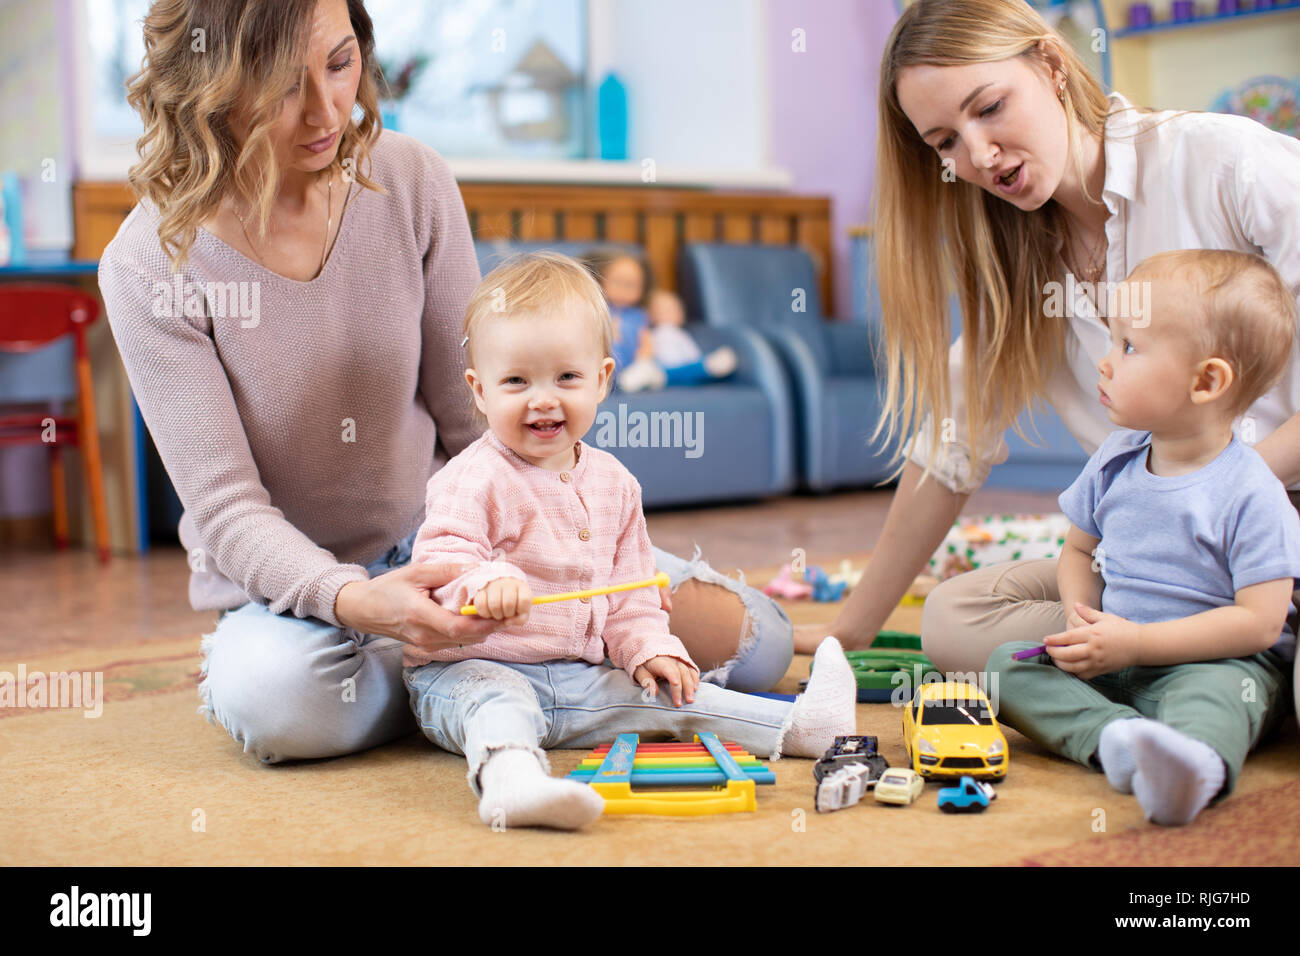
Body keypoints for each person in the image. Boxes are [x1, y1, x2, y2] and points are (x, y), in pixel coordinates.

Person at [96, 0, 793, 766]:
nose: (328, 111)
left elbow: (473, 417)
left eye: (340, 62)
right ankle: (510, 671)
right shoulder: (147, 265)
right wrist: (360, 601)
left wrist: (550, 553)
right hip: (297, 600)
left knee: (760, 648)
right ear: (209, 84)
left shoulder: (411, 179)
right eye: (281, 86)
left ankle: (479, 675)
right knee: (282, 706)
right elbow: (228, 512)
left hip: (470, 546)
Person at [800, 0, 1300, 714]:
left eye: (991, 107)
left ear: (1052, 64)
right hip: (1167, 564)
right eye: (944, 141)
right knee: (952, 619)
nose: (977, 156)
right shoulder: (1019, 271)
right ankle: (1205, 656)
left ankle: (1226, 659)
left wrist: (1230, 489)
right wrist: (851, 628)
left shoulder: (1217, 160)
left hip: (1276, 532)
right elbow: (948, 452)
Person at [402, 252, 856, 829]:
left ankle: (805, 728)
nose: (543, 399)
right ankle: (512, 783)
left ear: (603, 379)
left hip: (577, 674)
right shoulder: (472, 476)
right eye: (516, 381)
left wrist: (649, 647)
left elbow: (632, 596)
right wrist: (485, 581)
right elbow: (442, 562)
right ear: (479, 391)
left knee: (674, 699)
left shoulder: (617, 485)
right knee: (498, 705)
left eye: (567, 377)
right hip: (467, 671)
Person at [988, 250, 1300, 826]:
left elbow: (1258, 623)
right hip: (1115, 660)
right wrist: (1082, 619)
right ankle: (1119, 740)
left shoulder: (1253, 493)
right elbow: (1079, 549)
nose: (1105, 365)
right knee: (1005, 667)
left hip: (1213, 665)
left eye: (1128, 348)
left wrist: (1138, 645)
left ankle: (1194, 770)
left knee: (1223, 700)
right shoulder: (1117, 460)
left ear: (1206, 380)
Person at [579, 247, 736, 392]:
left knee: (660, 368)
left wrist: (644, 359)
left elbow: (645, 339)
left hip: (637, 364)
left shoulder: (639, 315)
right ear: (597, 280)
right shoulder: (596, 311)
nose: (625, 290)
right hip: (606, 363)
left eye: (633, 285)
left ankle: (702, 366)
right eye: (619, 282)